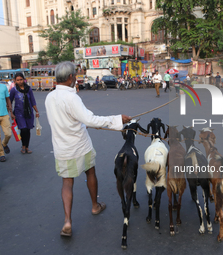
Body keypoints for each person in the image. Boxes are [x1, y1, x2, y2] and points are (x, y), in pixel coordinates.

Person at [45, 61, 132, 237]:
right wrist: (117, 120)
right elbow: (90, 119)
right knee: (90, 172)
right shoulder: (72, 97)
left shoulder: (50, 97)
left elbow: (67, 120)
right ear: (70, 77)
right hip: (80, 145)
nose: (76, 78)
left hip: (62, 147)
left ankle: (67, 221)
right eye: (75, 75)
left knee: (67, 182)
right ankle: (95, 206)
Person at [10, 73, 39, 154]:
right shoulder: (14, 90)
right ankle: (23, 145)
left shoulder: (28, 89)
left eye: (21, 79)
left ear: (24, 79)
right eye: (17, 80)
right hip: (19, 114)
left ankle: (27, 146)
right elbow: (10, 102)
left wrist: (37, 111)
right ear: (15, 81)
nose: (19, 81)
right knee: (23, 129)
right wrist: (11, 113)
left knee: (28, 130)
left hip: (29, 112)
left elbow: (32, 101)